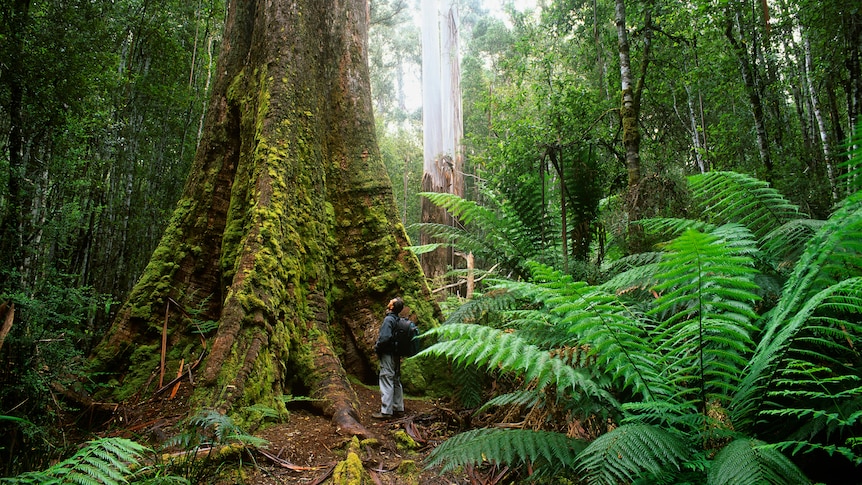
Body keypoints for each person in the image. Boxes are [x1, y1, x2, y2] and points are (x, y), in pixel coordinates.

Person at [372, 297, 405, 419]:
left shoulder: (389, 320)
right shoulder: (398, 320)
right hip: (396, 354)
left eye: (391, 301)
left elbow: (385, 337)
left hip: (388, 354)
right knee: (396, 379)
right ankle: (398, 408)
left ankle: (386, 411)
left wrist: (377, 347)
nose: (389, 302)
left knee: (386, 378)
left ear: (392, 307)